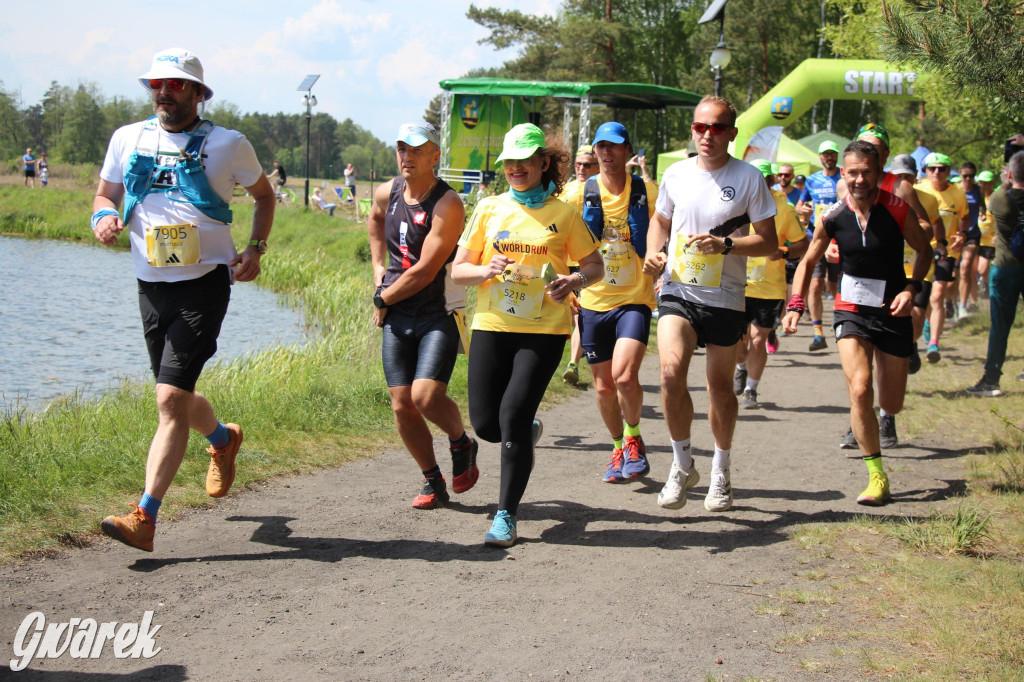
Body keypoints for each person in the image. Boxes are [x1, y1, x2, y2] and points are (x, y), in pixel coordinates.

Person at [93, 47, 275, 552]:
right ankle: (222, 438)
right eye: (156, 84)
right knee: (177, 392)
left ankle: (144, 517)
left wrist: (255, 247)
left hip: (204, 284)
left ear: (198, 92)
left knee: (169, 400)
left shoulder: (227, 144)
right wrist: (101, 218)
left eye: (175, 85)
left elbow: (264, 196)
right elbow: (104, 194)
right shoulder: (127, 138)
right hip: (150, 284)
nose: (163, 92)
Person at [452, 123, 603, 546]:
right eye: (509, 162)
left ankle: (506, 515)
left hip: (545, 330)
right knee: (486, 423)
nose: (516, 168)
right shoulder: (489, 208)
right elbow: (458, 270)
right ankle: (524, 427)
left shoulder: (564, 213)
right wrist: (485, 270)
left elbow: (595, 268)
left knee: (513, 415)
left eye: (525, 161)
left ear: (543, 163)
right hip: (492, 325)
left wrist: (574, 282)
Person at [643, 95, 778, 512]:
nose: (707, 134)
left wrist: (726, 244)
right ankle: (682, 465)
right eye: (700, 127)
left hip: (725, 297)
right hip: (678, 290)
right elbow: (660, 219)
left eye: (717, 127)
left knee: (720, 388)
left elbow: (770, 243)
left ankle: (721, 469)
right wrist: (653, 251)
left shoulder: (750, 178)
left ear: (731, 134)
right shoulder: (677, 173)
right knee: (669, 375)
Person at [783, 141, 932, 505]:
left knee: (892, 402)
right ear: (843, 175)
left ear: (878, 173)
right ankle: (876, 476)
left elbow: (925, 250)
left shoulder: (897, 209)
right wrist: (796, 303)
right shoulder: (832, 216)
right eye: (853, 172)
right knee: (861, 388)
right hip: (851, 310)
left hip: (893, 310)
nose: (859, 178)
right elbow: (807, 261)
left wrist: (912, 289)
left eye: (866, 171)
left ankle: (889, 405)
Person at [367, 121, 479, 508]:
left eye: (416, 149)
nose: (406, 156)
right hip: (399, 312)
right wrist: (379, 272)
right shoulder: (390, 191)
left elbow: (425, 271)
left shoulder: (447, 203)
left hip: (438, 312)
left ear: (436, 156)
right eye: (401, 148)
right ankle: (432, 479)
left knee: (426, 396)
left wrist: (383, 299)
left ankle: (461, 442)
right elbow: (374, 219)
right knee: (401, 404)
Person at [561, 122, 659, 483]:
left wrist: (660, 258)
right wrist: (568, 282)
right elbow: (559, 238)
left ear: (627, 150)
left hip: (634, 299)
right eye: (601, 146)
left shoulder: (648, 190)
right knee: (603, 387)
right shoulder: (577, 194)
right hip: (592, 299)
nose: (607, 153)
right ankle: (618, 446)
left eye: (614, 146)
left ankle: (634, 437)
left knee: (625, 376)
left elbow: (667, 227)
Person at [734, 159, 808, 409]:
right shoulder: (736, 201)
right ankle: (741, 367)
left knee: (757, 339)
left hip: (769, 287)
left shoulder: (784, 209)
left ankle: (751, 390)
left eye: (763, 179)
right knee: (738, 340)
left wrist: (784, 252)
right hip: (737, 284)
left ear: (770, 180)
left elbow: (802, 244)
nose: (758, 183)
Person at [965, 151, 1024, 397]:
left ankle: (991, 379)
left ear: (1010, 173)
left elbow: (993, 204)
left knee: (1000, 326)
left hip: (1005, 267)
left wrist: (1007, 180)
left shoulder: (1000, 197)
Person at [916, 152, 969, 364]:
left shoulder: (958, 193)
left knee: (938, 294)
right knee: (927, 294)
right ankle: (928, 321)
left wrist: (962, 235)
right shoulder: (919, 191)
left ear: (948, 171)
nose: (937, 172)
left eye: (942, 168)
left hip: (949, 250)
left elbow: (964, 218)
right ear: (925, 171)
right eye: (932, 168)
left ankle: (933, 344)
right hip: (923, 249)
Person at [558, 144, 599, 386]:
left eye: (588, 164)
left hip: (595, 262)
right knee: (576, 313)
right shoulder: (566, 190)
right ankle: (575, 361)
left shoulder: (606, 190)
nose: (582, 168)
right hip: (569, 262)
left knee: (583, 313)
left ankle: (574, 362)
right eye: (579, 164)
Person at [795, 141, 842, 351]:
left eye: (833, 154)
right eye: (826, 154)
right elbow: (800, 206)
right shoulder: (812, 180)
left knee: (835, 285)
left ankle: (841, 320)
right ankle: (818, 333)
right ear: (820, 157)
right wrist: (803, 211)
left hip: (841, 239)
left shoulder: (844, 177)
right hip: (817, 238)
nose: (829, 157)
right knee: (815, 285)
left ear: (837, 156)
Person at [957, 161, 984, 320]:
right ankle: (952, 302)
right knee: (953, 275)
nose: (968, 179)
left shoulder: (978, 191)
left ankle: (963, 306)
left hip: (972, 234)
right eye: (965, 176)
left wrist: (982, 214)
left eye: (972, 176)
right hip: (955, 236)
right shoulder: (955, 190)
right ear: (960, 175)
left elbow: (983, 206)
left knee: (966, 267)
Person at [975, 170, 998, 298]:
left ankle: (994, 288)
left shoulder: (995, 198)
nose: (982, 185)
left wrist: (999, 235)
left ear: (991, 183)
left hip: (990, 240)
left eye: (986, 183)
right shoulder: (976, 197)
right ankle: (989, 288)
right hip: (976, 239)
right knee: (976, 270)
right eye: (981, 182)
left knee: (983, 269)